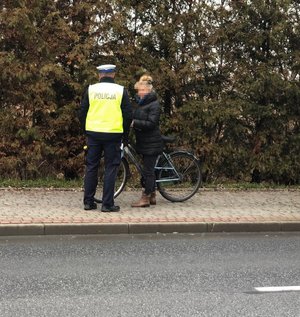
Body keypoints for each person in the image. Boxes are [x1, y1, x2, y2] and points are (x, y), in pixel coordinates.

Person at [79, 64, 132, 212]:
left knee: (91, 166)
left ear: (99, 75)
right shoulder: (121, 91)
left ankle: (88, 202)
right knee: (111, 168)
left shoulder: (91, 89)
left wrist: (86, 131)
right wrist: (125, 137)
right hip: (113, 135)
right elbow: (128, 116)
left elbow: (82, 113)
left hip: (93, 134)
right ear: (113, 74)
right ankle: (107, 204)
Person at [131, 75, 163, 207]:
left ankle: (145, 198)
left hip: (151, 142)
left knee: (148, 171)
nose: (139, 92)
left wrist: (134, 123)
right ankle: (153, 196)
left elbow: (151, 123)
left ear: (148, 90)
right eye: (138, 90)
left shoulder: (154, 104)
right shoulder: (141, 103)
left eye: (142, 90)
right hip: (144, 141)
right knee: (148, 170)